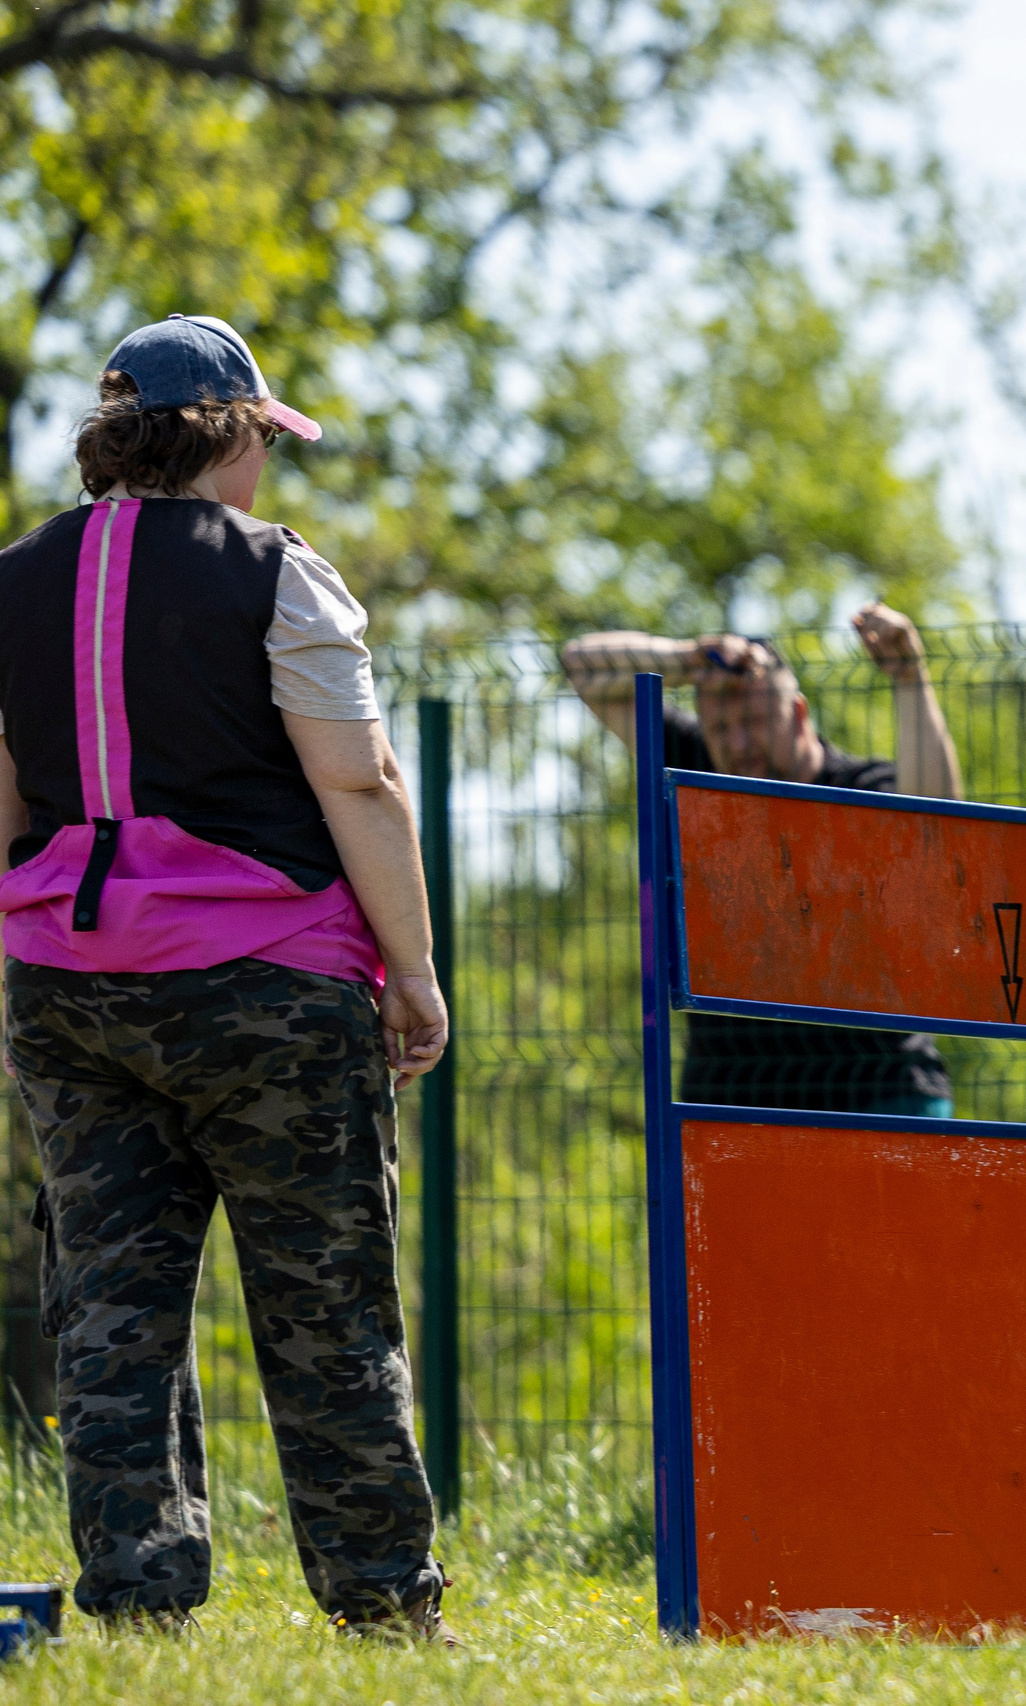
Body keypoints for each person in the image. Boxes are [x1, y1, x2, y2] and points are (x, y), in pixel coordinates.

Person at [0, 316, 449, 1636]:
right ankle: (384, 1608)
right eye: (265, 438)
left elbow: (10, 794)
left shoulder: (16, 578)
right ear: (231, 430)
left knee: (112, 1310)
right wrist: (413, 972)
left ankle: (141, 1609)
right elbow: (356, 778)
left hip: (69, 986)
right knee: (326, 1305)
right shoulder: (276, 573)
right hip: (269, 984)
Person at [561, 614, 962, 1115]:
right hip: (731, 1097)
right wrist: (689, 657)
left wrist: (909, 675)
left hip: (879, 1088)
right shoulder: (693, 766)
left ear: (798, 714)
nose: (738, 744)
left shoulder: (862, 789)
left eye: (754, 723)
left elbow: (940, 825)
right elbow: (581, 665)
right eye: (722, 728)